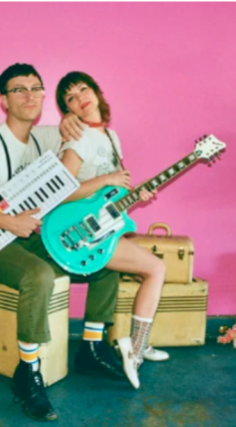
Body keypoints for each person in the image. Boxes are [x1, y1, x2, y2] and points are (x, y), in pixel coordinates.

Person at [0, 63, 126, 422]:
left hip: (28, 235)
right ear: (3, 100)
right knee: (39, 276)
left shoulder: (44, 137)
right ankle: (27, 372)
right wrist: (7, 221)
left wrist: (69, 119)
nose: (29, 95)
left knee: (103, 257)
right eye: (18, 89)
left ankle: (91, 349)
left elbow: (73, 132)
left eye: (35, 88)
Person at [55, 71, 169, 390]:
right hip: (81, 234)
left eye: (83, 89)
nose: (80, 98)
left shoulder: (110, 136)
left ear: (96, 92)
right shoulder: (77, 138)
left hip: (103, 227)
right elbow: (61, 192)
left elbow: (109, 195)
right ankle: (136, 348)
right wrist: (106, 179)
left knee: (149, 270)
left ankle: (131, 345)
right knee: (156, 269)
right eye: (71, 98)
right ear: (68, 110)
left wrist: (135, 194)